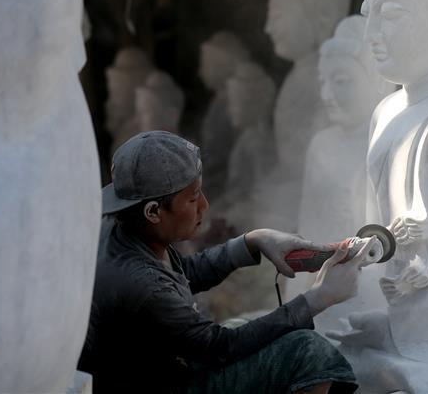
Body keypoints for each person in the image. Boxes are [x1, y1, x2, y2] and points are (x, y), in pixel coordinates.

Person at [77, 130, 362, 394]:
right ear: (153, 211)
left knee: (250, 322)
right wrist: (318, 298)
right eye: (192, 199)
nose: (204, 205)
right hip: (162, 383)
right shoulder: (140, 283)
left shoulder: (124, 227)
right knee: (306, 350)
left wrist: (254, 241)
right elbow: (218, 347)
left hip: (169, 360)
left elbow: (182, 274)